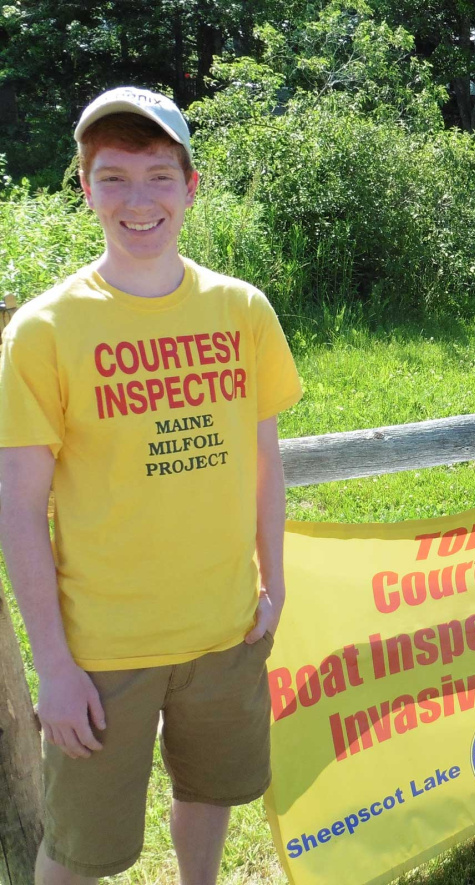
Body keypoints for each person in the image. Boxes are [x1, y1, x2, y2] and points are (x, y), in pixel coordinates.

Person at [0, 87, 302, 883]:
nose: (138, 200)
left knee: (210, 794)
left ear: (191, 185)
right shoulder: (44, 330)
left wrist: (274, 583)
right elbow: (20, 507)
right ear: (84, 184)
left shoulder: (242, 310)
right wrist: (56, 667)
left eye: (159, 175)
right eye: (113, 177)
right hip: (104, 649)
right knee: (79, 849)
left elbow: (266, 460)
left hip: (224, 629)